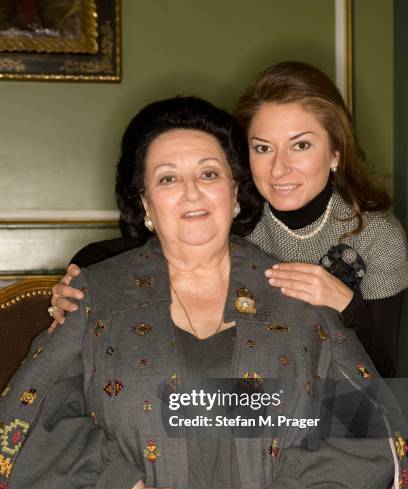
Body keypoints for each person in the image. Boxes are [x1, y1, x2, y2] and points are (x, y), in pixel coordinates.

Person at [0, 96, 405, 489]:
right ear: (144, 203)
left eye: (209, 173)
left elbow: (365, 428)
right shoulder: (95, 295)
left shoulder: (299, 296)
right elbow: (28, 416)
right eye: (168, 178)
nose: (191, 191)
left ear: (236, 194)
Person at [49, 62, 408, 378]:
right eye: (263, 148)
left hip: (335, 410)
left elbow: (384, 372)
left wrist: (346, 303)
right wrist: (81, 277)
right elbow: (140, 249)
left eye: (301, 145)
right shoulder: (237, 216)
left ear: (335, 152)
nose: (279, 168)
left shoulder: (380, 235)